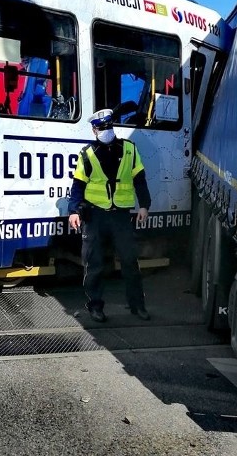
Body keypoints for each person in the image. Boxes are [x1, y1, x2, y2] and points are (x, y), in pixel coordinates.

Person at [68, 108, 151, 322]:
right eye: (100, 128)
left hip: (120, 217)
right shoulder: (87, 154)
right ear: (95, 130)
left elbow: (139, 180)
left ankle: (138, 306)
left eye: (107, 127)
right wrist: (73, 211)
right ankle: (95, 307)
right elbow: (78, 185)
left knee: (130, 262)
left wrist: (144, 206)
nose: (104, 131)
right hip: (94, 216)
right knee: (94, 264)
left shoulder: (130, 150)